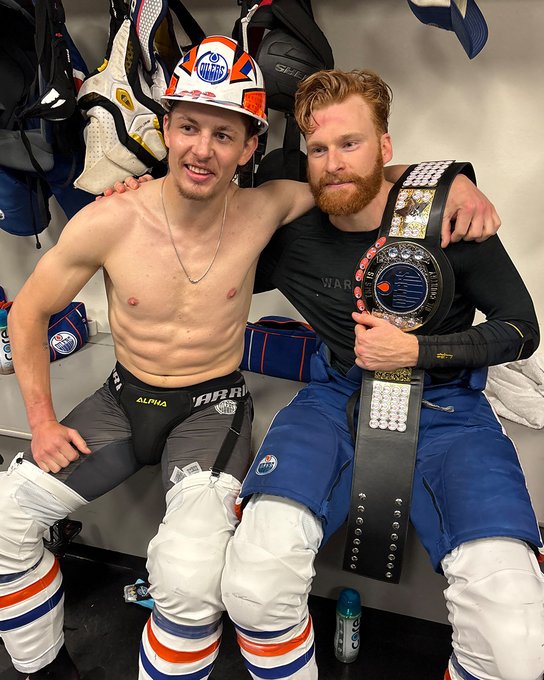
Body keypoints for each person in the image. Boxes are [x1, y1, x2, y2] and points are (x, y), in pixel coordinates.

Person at [0, 35, 499, 680]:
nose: (202, 149)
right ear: (166, 127)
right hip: (124, 398)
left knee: (188, 578)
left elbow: (353, 174)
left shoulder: (270, 205)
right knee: (7, 518)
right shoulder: (108, 220)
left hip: (211, 408)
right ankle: (45, 669)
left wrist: (454, 180)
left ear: (250, 147)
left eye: (223, 134)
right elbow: (31, 311)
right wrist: (41, 421)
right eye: (188, 127)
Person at [218, 69, 544, 680]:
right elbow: (198, 219)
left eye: (351, 143)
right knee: (255, 582)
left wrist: (419, 352)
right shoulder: (287, 235)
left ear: (386, 149)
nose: (334, 162)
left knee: (516, 636)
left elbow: (521, 329)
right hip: (336, 397)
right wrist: (132, 193)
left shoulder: (448, 216)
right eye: (319, 148)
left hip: (449, 409)